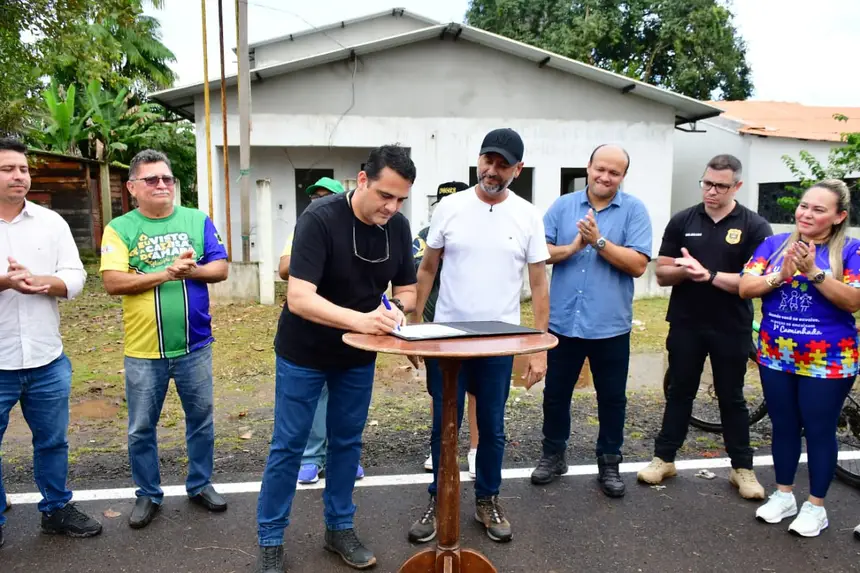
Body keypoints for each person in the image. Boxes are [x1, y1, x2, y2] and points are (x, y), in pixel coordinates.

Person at [254, 145, 417, 573]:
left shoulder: (397, 227)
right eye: (385, 195)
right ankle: (270, 540)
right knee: (288, 446)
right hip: (303, 352)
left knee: (347, 442)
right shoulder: (320, 219)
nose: (391, 207)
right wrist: (362, 320)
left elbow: (409, 289)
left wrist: (398, 308)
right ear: (362, 180)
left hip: (357, 357)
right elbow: (300, 298)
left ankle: (339, 528)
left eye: (401, 199)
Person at [408, 128, 550, 544]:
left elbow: (539, 285)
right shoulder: (449, 208)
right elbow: (427, 269)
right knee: (442, 425)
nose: (492, 170)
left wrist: (539, 348)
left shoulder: (528, 215)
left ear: (518, 169)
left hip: (499, 343)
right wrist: (415, 324)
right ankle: (438, 497)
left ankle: (487, 498)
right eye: (487, 160)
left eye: (502, 164)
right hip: (448, 341)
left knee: (491, 427)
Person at [100, 149, 230, 530]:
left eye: (167, 179)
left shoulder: (196, 219)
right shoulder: (120, 228)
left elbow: (220, 268)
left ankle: (200, 483)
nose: (162, 185)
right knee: (141, 428)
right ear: (132, 187)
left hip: (195, 345)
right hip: (143, 351)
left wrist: (192, 271)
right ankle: (147, 493)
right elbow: (112, 281)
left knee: (201, 420)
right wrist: (167, 273)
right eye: (152, 179)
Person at [637, 154, 771, 499]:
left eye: (720, 186)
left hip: (731, 325)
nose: (711, 191)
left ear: (736, 186)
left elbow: (750, 282)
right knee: (680, 391)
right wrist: (687, 270)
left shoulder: (755, 227)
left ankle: (742, 468)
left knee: (732, 397)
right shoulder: (683, 220)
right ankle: (664, 458)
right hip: (685, 322)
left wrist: (707, 275)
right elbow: (663, 273)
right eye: (707, 183)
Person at [739, 179, 860, 538]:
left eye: (818, 209)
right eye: (804, 206)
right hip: (777, 355)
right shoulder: (774, 245)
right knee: (784, 425)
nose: (806, 213)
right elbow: (746, 287)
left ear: (838, 217)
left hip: (828, 360)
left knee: (820, 430)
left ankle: (816, 507)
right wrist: (782, 274)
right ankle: (784, 494)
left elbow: (853, 301)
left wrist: (813, 273)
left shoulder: (851, 251)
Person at [530, 144, 652, 498]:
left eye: (614, 172)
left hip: (609, 325)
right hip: (564, 323)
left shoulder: (634, 211)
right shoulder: (563, 206)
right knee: (555, 395)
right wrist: (571, 248)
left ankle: (609, 462)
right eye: (600, 169)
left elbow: (639, 264)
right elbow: (539, 251)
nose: (605, 177)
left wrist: (598, 241)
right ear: (588, 167)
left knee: (612, 398)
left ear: (623, 176)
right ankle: (554, 454)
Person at [0, 137, 103, 547]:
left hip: (46, 358)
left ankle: (56, 509)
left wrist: (41, 283)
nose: (19, 176)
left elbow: (76, 278)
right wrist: (5, 282)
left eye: (23, 169)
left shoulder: (51, 222)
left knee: (53, 440)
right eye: (8, 169)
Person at [278, 176, 365, 484]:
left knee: (346, 404)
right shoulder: (308, 225)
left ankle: (342, 458)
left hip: (351, 333)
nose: (318, 200)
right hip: (311, 331)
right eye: (314, 196)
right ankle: (312, 457)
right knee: (315, 400)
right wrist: (313, 258)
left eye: (326, 195)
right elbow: (284, 267)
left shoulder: (358, 230)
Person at [411, 180, 479, 477]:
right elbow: (420, 274)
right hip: (437, 325)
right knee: (440, 392)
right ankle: (438, 448)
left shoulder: (480, 232)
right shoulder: (425, 235)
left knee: (476, 391)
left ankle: (476, 449)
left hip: (475, 325)